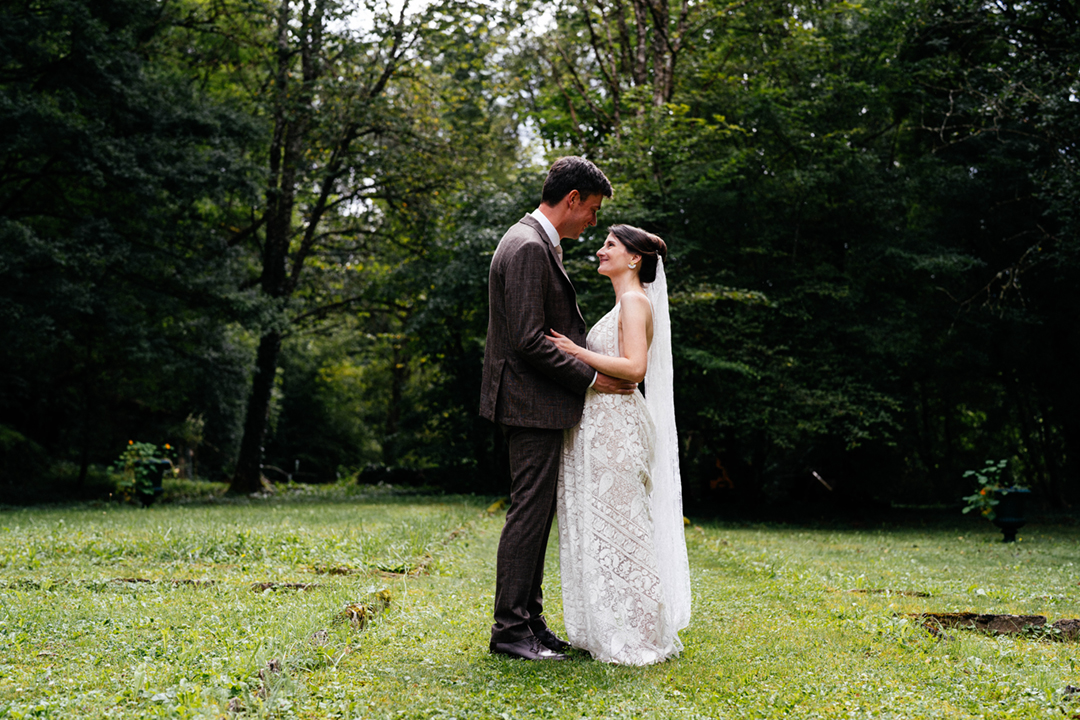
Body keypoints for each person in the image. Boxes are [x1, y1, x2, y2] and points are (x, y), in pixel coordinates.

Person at [479, 157, 637, 661]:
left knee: (538, 513)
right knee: (529, 514)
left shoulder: (536, 242)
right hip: (529, 402)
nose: (592, 222)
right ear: (571, 200)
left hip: (534, 401)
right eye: (591, 210)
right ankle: (510, 631)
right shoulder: (527, 246)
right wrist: (592, 378)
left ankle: (531, 622)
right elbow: (528, 339)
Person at [546, 224, 692, 665]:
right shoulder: (624, 301)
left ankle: (638, 631)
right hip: (601, 425)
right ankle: (607, 625)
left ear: (634, 259)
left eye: (610, 245)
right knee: (603, 527)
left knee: (624, 526)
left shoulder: (633, 300)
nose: (600, 249)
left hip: (617, 429)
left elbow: (634, 367)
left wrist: (577, 351)